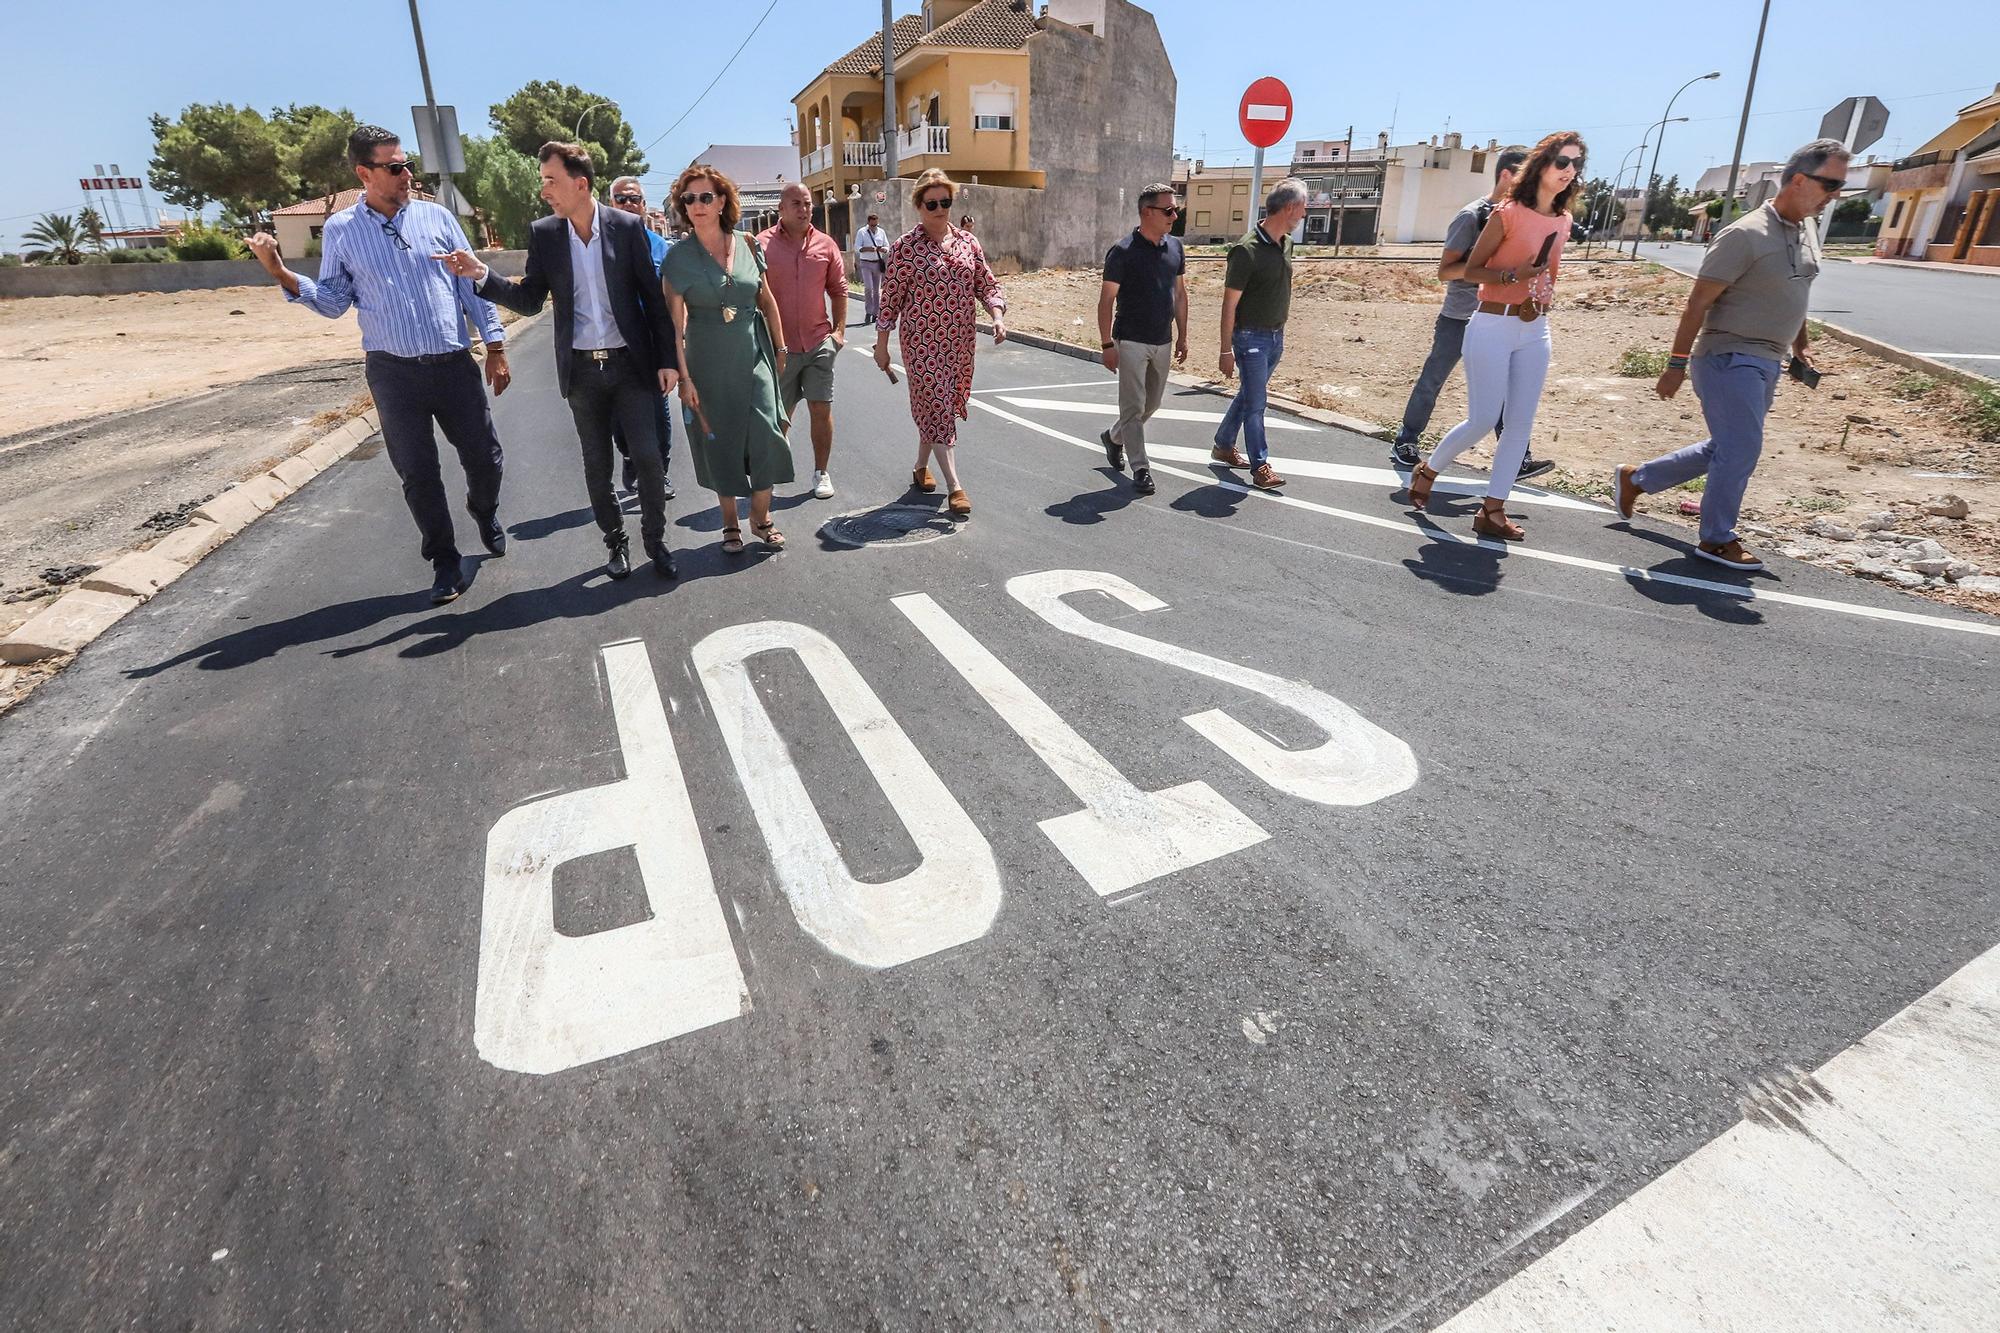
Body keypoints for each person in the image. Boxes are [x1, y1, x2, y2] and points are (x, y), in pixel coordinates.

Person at [245, 124, 508, 605]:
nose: (406, 173)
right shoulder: (343, 232)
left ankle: (483, 507)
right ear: (364, 173)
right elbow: (332, 302)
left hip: (453, 364)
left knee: (486, 458)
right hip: (393, 373)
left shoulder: (437, 218)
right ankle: (445, 560)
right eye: (394, 167)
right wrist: (281, 271)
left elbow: (470, 285)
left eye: (406, 164)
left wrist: (494, 345)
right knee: (417, 470)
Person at [437, 142, 678, 581]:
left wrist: (667, 360)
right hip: (582, 371)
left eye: (551, 180)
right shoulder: (546, 234)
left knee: (647, 457)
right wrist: (480, 275)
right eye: (543, 180)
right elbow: (530, 301)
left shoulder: (626, 228)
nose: (544, 190)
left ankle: (655, 540)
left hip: (632, 367)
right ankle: (615, 542)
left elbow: (652, 300)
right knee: (597, 464)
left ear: (580, 183)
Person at [1612, 138, 1848, 572]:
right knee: (1741, 448)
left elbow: (1796, 292)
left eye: (1840, 187)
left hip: (1769, 359)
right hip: (1728, 356)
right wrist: (1675, 365)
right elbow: (1697, 303)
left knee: (1728, 446)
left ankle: (1637, 478)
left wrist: (1802, 347)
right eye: (1831, 184)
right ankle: (1716, 539)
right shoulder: (1744, 234)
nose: (1836, 195)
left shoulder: (1806, 231)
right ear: (1798, 179)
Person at [1406, 132, 1586, 542]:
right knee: (1484, 418)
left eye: (1576, 164)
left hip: (1536, 327)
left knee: (1520, 425)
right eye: (1562, 162)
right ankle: (1428, 470)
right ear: (1541, 166)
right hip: (1491, 322)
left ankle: (1493, 510)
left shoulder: (1563, 221)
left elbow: (1551, 274)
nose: (1569, 171)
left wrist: (1542, 290)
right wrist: (1512, 276)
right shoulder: (1505, 214)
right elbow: (1469, 270)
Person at [1390, 148, 1553, 482]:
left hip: (1500, 320)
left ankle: (1518, 458)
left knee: (1505, 390)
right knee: (1433, 379)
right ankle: (1406, 441)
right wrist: (1501, 272)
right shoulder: (1472, 216)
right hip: (1460, 317)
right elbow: (1445, 272)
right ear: (1507, 176)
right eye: (1527, 179)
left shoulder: (1523, 219)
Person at [659, 165, 794, 554]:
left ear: (721, 201)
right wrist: (685, 378)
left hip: (754, 351)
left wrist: (781, 347)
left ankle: (761, 515)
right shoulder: (677, 259)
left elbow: (766, 299)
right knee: (721, 441)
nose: (697, 205)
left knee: (768, 432)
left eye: (705, 197)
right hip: (706, 359)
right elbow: (674, 325)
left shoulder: (749, 244)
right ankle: (730, 522)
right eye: (689, 199)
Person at [873, 168, 1007, 520]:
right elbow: (890, 300)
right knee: (937, 408)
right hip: (921, 344)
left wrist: (996, 314)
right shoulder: (904, 248)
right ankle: (955, 486)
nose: (939, 208)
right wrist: (881, 344)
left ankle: (920, 466)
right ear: (919, 206)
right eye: (931, 203)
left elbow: (986, 283)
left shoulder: (967, 242)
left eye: (945, 201)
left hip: (959, 344)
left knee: (939, 408)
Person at [1214, 178, 1309, 490]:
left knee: (1248, 396)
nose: (1305, 214)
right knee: (1257, 403)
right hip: (1249, 339)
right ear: (1290, 208)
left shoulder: (1287, 244)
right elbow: (1229, 305)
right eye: (1303, 208)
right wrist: (1225, 350)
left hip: (1275, 337)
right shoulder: (1246, 250)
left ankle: (1223, 444)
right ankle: (1260, 465)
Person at [1096, 181, 1189, 497]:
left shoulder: (1175, 248)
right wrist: (1107, 344)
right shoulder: (1122, 252)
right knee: (1134, 407)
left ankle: (1113, 437)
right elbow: (1107, 300)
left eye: (1175, 209)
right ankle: (1141, 468)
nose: (1174, 216)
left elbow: (1179, 293)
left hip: (1163, 340)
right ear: (1147, 212)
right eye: (1169, 210)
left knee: (1152, 404)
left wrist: (1184, 336)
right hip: (1131, 340)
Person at [756, 183, 847, 500]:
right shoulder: (762, 245)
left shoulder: (826, 244)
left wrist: (839, 333)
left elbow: (839, 289)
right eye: (796, 203)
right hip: (779, 349)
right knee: (779, 414)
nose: (804, 209)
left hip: (819, 343)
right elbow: (753, 295)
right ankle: (775, 468)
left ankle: (822, 472)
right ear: (781, 209)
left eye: (807, 203)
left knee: (821, 409)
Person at [607, 175, 675, 503]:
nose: (628, 204)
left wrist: (674, 348)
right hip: (614, 347)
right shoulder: (600, 245)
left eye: (634, 199)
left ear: (644, 206)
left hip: (651, 346)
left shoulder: (661, 247)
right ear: (611, 204)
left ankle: (660, 472)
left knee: (659, 413)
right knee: (619, 419)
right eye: (621, 199)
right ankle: (630, 456)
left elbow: (672, 303)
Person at [855, 211, 889, 323]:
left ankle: (876, 313)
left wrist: (883, 249)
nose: (874, 227)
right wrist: (868, 248)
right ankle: (868, 312)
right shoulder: (862, 232)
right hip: (866, 263)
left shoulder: (881, 232)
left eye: (876, 225)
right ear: (868, 223)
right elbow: (857, 247)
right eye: (872, 225)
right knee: (868, 288)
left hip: (877, 262)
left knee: (877, 290)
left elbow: (887, 246)